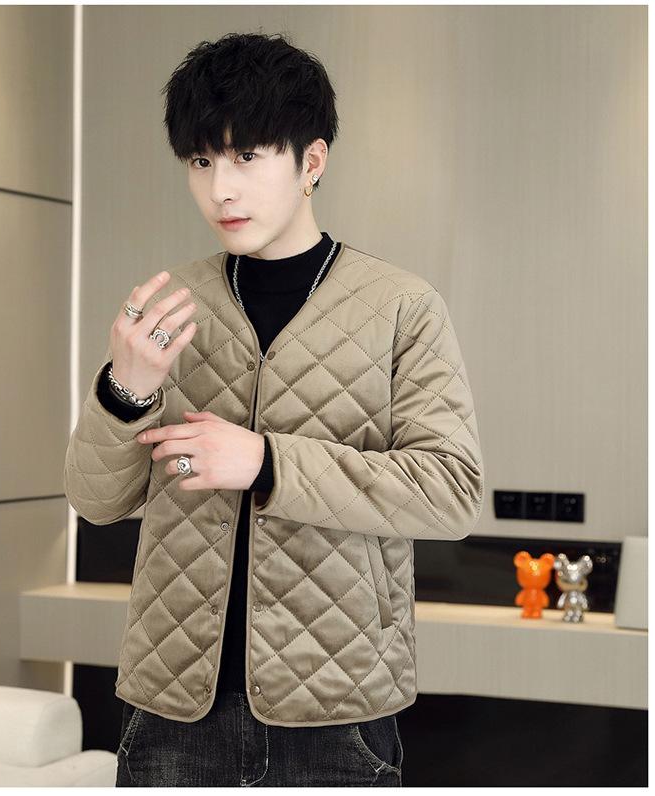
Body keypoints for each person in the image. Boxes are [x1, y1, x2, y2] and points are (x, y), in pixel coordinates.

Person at [64, 31, 484, 787]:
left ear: (311, 161)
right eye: (201, 161)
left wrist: (265, 461)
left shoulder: (402, 307)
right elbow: (96, 501)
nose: (220, 189)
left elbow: (451, 491)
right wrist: (124, 389)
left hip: (336, 717)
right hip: (171, 713)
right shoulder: (170, 306)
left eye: (247, 157)